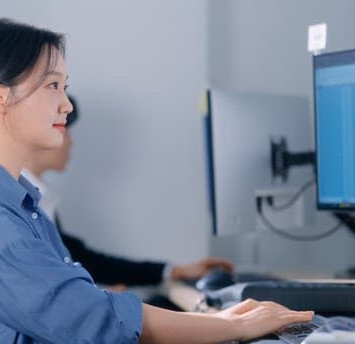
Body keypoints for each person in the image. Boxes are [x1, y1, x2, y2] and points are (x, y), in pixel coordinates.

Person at [0, 18, 313, 343]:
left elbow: (81, 301)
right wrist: (233, 326)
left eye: (65, 86)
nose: (66, 104)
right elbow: (98, 321)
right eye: (52, 85)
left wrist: (225, 322)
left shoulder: (9, 202)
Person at [22, 96, 234, 300]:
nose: (71, 142)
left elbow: (86, 261)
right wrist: (88, 300)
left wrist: (174, 271)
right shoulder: (17, 201)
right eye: (66, 131)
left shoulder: (43, 198)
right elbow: (32, 289)